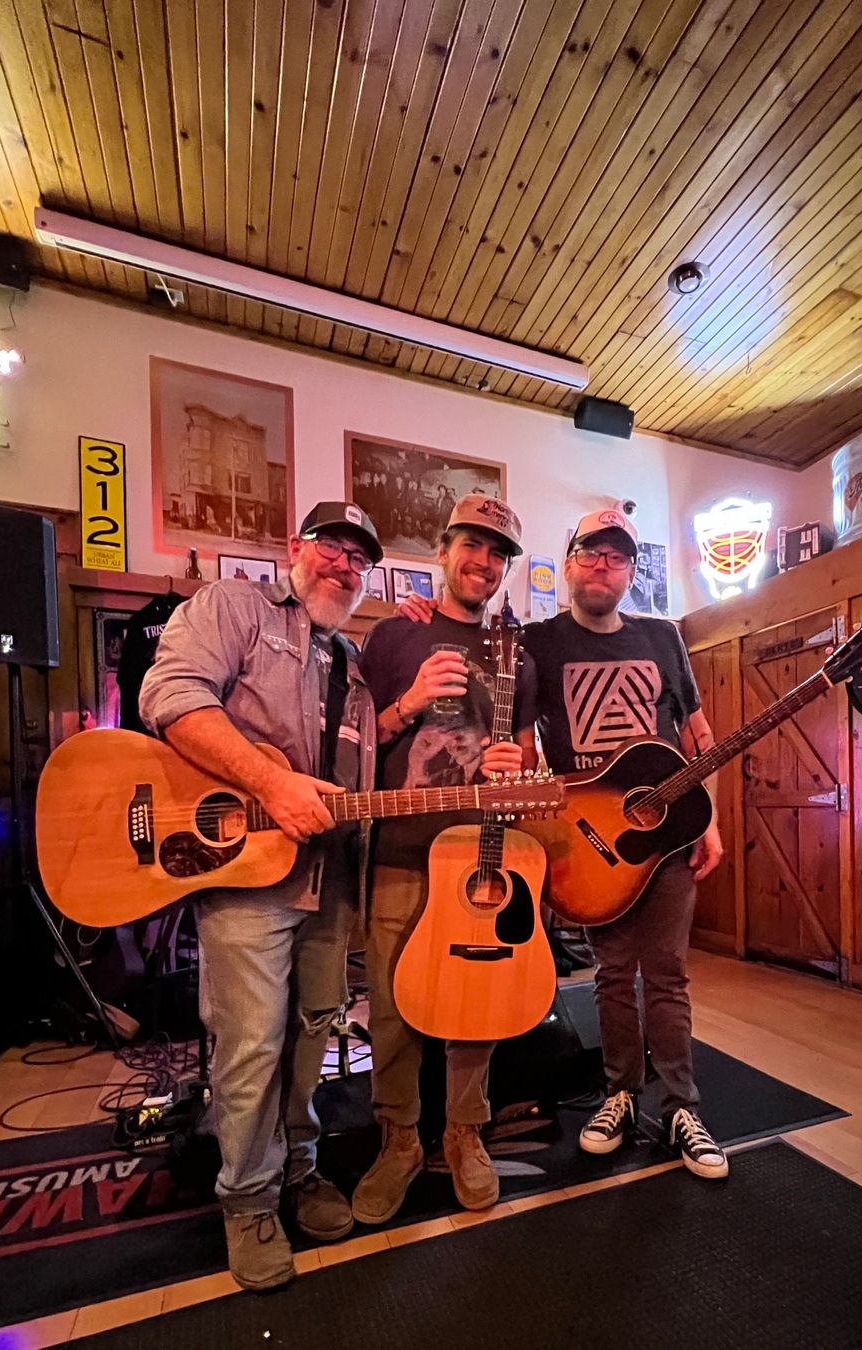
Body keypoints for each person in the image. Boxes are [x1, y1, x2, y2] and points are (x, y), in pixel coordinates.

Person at [139, 502, 382, 1291]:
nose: (344, 566)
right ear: (294, 550)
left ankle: (300, 1168)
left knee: (314, 1033)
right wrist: (271, 783)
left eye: (359, 559)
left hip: (328, 879)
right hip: (245, 878)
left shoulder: (354, 666)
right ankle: (247, 1200)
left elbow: (356, 781)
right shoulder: (233, 608)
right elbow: (169, 696)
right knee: (249, 1044)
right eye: (332, 548)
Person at [518, 509, 729, 1179]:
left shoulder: (665, 638)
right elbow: (524, 745)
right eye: (590, 552)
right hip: (586, 844)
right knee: (611, 974)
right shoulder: (537, 643)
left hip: (666, 839)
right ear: (570, 559)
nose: (602, 566)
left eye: (617, 557)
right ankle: (619, 1094)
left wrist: (711, 819)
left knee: (665, 972)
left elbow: (699, 737)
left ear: (632, 571)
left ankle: (680, 1106)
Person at [352, 493, 531, 1224]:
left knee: (474, 1002)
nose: (482, 562)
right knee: (393, 1008)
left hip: (481, 856)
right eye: (471, 545)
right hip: (397, 851)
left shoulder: (519, 652)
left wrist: (519, 764)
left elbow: (530, 753)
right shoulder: (394, 635)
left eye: (497, 552)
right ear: (442, 550)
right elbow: (353, 740)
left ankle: (463, 1133)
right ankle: (398, 1140)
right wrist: (410, 701)